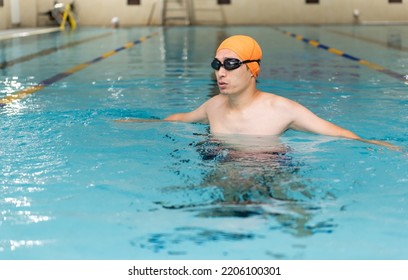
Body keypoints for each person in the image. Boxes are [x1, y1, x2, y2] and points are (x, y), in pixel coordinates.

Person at [120, 35, 398, 150]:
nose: (221, 72)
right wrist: (139, 122)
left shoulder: (282, 109)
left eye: (231, 64)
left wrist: (380, 145)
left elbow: (337, 133)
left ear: (252, 69)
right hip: (222, 166)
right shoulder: (213, 106)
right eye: (217, 64)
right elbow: (181, 118)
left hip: (271, 171)